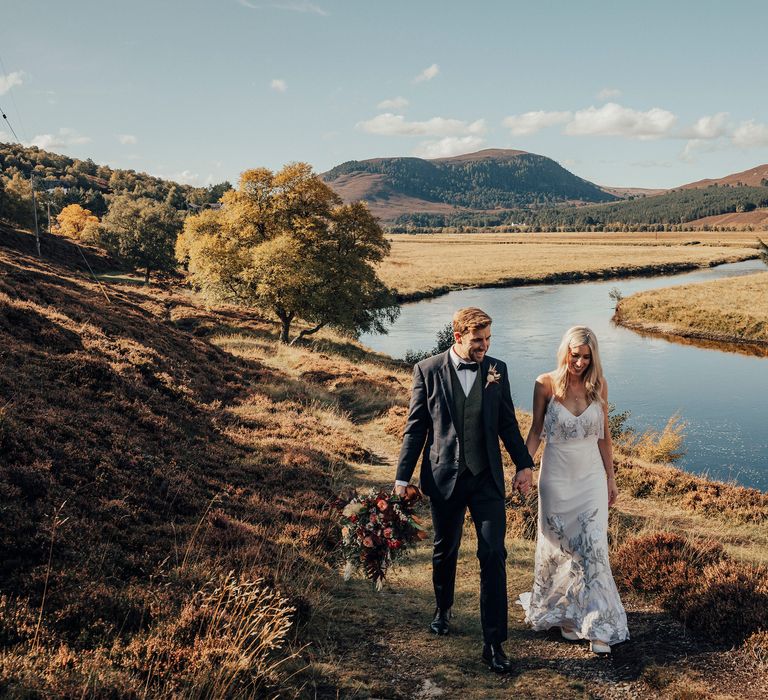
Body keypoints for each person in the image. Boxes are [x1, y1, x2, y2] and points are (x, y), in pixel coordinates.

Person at [394, 307, 534, 674]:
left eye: (488, 340)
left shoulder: (497, 370)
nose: (484, 347)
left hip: (486, 478)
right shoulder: (427, 370)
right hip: (444, 477)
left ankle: (494, 642)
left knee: (493, 554)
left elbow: (506, 422)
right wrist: (402, 477)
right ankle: (443, 607)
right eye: (477, 340)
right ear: (457, 336)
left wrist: (523, 464)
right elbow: (415, 429)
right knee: (445, 548)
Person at [518, 326, 629, 655]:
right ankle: (565, 614)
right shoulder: (545, 383)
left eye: (586, 357)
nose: (579, 362)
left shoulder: (599, 386)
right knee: (560, 549)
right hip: (555, 477)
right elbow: (536, 430)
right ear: (564, 350)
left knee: (593, 547)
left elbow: (604, 438)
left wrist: (611, 478)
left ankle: (598, 625)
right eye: (574, 355)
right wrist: (524, 467)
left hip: (591, 478)